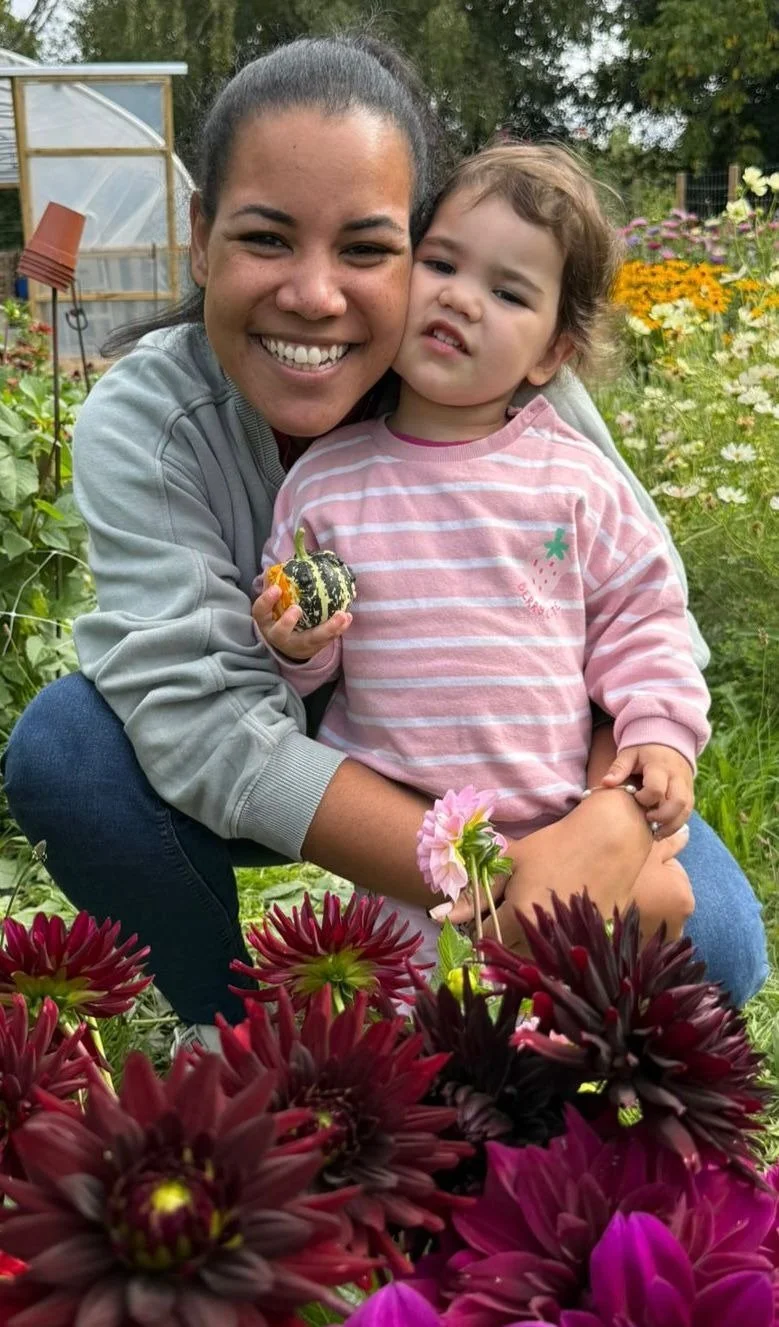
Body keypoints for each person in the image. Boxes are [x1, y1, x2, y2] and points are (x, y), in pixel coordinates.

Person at [0, 38, 767, 1048]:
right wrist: (490, 873)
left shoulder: (509, 392)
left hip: (525, 765)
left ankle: (530, 1083)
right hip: (314, 765)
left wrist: (605, 822)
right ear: (200, 236)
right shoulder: (149, 420)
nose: (315, 295)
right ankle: (230, 1027)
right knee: (69, 754)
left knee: (710, 941)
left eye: (367, 249)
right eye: (267, 239)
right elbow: (205, 729)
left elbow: (635, 609)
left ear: (415, 251)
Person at [255, 143, 712, 960]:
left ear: (548, 354)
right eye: (441, 264)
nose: (462, 300)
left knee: (560, 1037)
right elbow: (310, 673)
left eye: (507, 291)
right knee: (413, 1042)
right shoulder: (325, 481)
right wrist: (295, 644)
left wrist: (661, 730)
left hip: (568, 829)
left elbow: (642, 616)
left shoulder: (575, 480)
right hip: (408, 853)